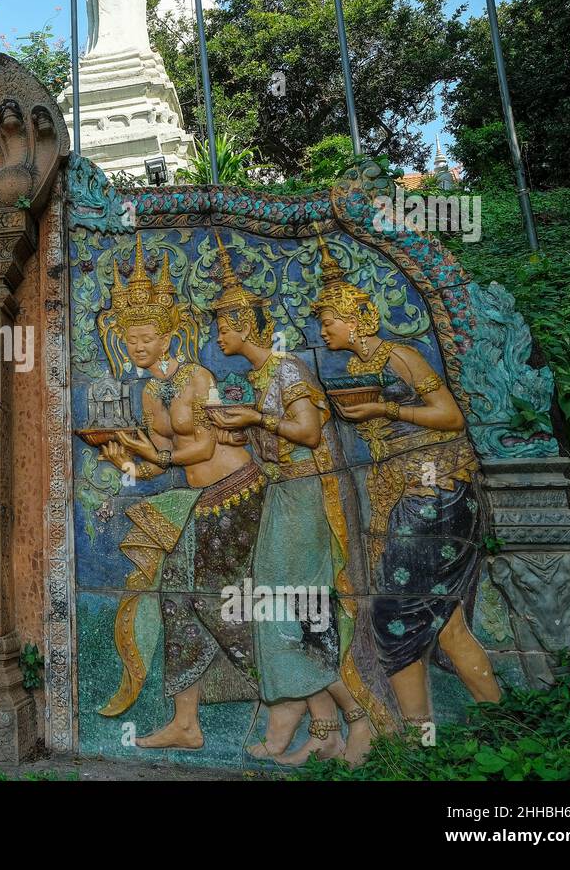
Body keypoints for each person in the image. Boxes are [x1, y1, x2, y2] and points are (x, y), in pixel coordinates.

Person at [206, 235, 391, 765]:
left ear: (245, 324)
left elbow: (307, 433)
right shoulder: (258, 376)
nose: (218, 333)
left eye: (224, 323)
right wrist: (233, 429)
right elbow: (269, 437)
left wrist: (254, 419)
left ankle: (357, 719)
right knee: (280, 610)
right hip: (282, 495)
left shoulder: (287, 370)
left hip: (307, 494)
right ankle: (324, 728)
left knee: (299, 608)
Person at [309, 238, 500, 725]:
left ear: (354, 320)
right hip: (407, 494)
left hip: (435, 494)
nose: (323, 330)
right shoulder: (358, 368)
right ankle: (488, 724)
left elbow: (450, 416)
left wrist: (385, 408)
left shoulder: (399, 356)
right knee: (443, 620)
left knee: (396, 617)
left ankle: (421, 739)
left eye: (328, 321)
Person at [94, 233, 267, 750]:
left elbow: (206, 446)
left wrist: (157, 456)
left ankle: (287, 690)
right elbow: (157, 466)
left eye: (146, 337)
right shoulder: (149, 392)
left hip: (236, 493)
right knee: (174, 597)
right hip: (198, 500)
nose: (137, 347)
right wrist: (124, 459)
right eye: (130, 340)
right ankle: (186, 723)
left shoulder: (199, 376)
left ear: (168, 337)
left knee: (217, 600)